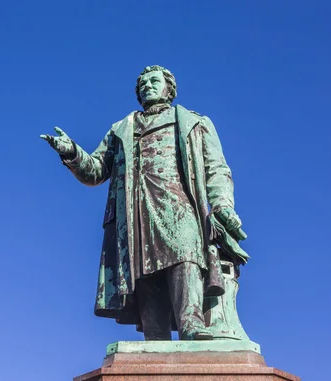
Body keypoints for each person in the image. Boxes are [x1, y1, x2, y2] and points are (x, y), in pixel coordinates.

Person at [40, 65, 248, 340]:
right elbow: (96, 171)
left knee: (185, 257)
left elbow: (216, 168)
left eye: (154, 81)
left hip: (179, 204)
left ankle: (192, 324)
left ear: (168, 89)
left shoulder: (194, 122)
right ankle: (155, 336)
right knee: (144, 274)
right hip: (135, 210)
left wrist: (222, 204)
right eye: (142, 84)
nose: (147, 86)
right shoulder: (122, 129)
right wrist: (72, 153)